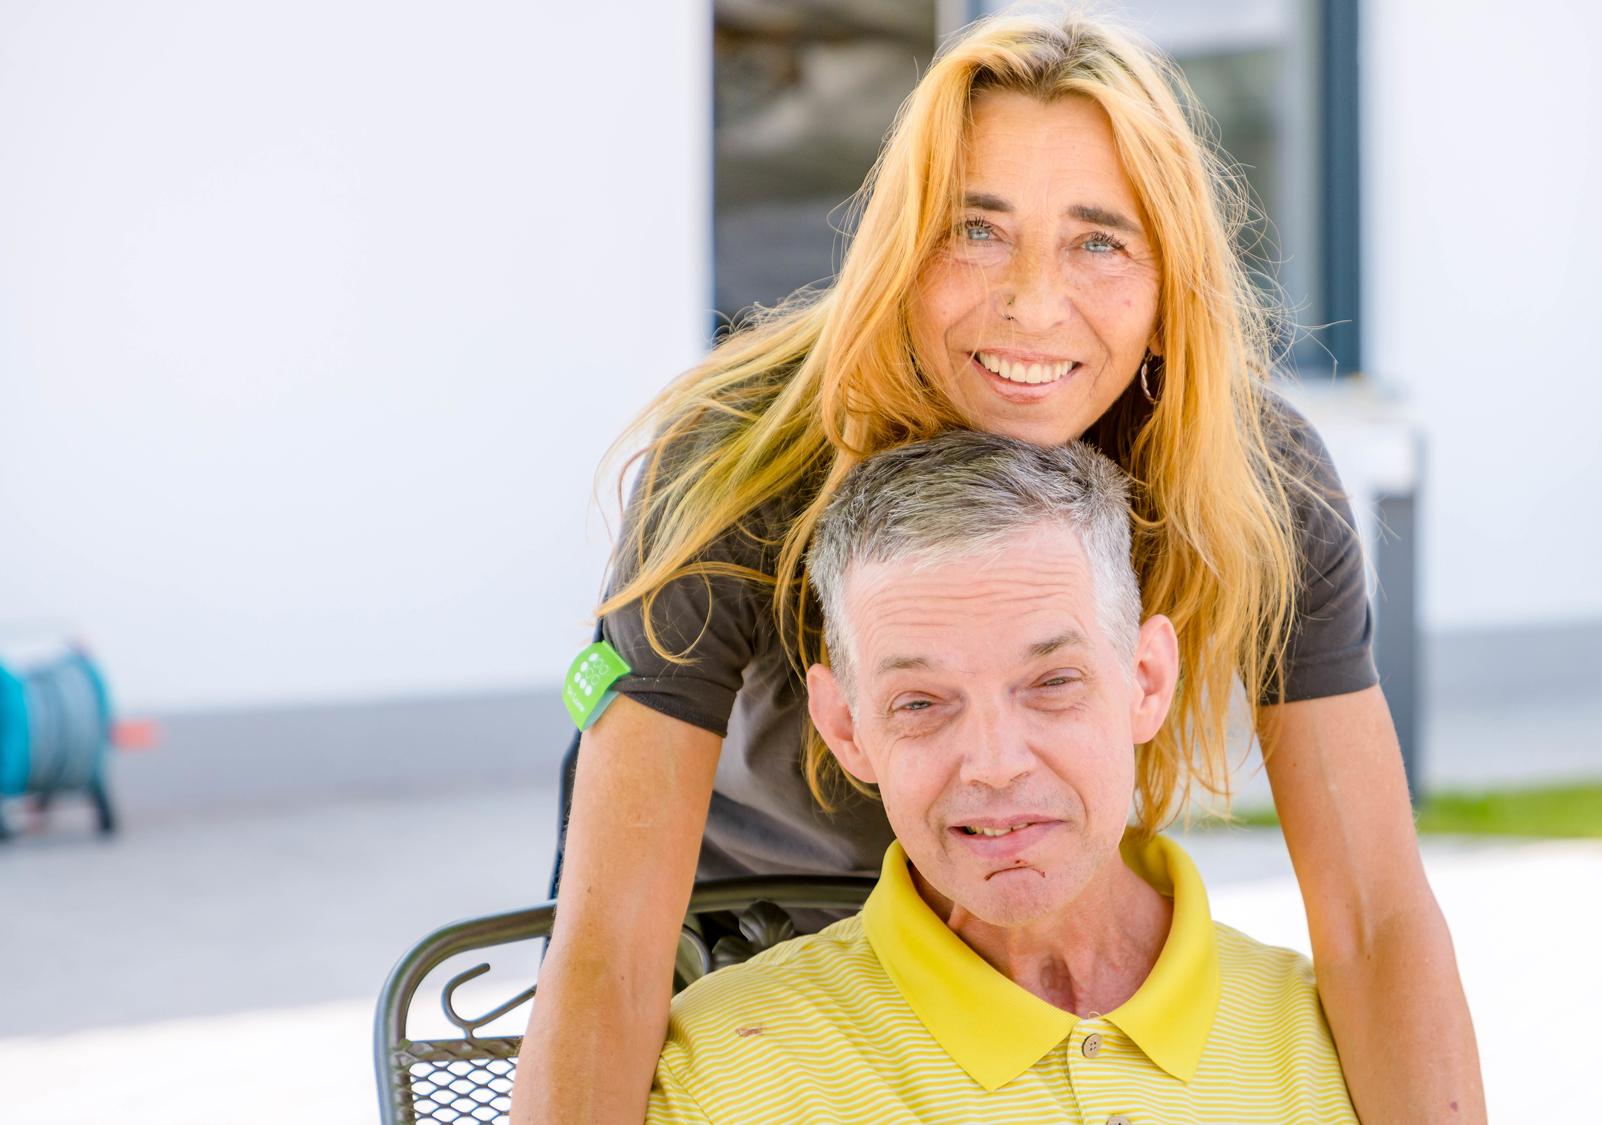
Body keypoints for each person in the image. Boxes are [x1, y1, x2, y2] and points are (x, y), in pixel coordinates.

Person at [516, 10, 1484, 1124]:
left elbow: (1374, 920)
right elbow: (606, 951)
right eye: (974, 232)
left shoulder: (1257, 479)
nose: (1031, 303)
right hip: (749, 976)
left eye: (1098, 241)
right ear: (898, 252)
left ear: (1171, 287)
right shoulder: (742, 453)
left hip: (1034, 954)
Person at [647, 430, 1355, 1123]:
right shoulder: (714, 1075)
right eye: (920, 702)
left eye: (1051, 682)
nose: (994, 765)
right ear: (846, 728)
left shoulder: (1335, 1041)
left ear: (1145, 681)